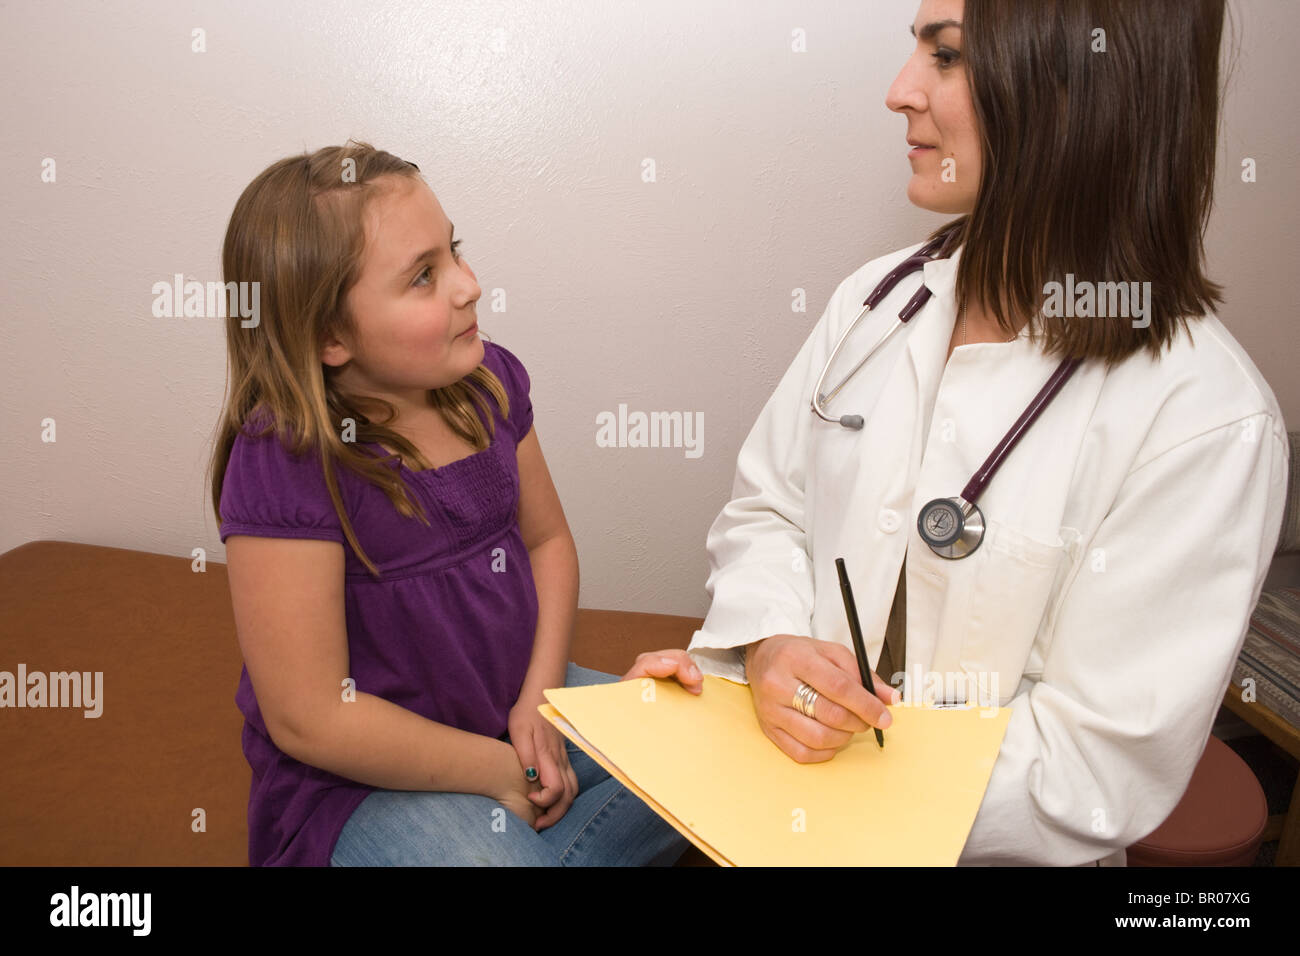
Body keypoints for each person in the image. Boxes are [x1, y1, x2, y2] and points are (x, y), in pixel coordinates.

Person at [643, 0, 1289, 866]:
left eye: (945, 57)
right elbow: (768, 511)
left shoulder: (1204, 416)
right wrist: (768, 647)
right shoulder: (877, 302)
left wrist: (843, 761)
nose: (898, 91)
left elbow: (1096, 769)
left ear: (1074, 88)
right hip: (768, 813)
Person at [208, 141, 689, 866]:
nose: (468, 285)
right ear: (330, 335)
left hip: (511, 716)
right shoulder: (287, 455)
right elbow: (309, 719)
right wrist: (503, 773)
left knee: (700, 737)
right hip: (361, 785)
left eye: (454, 252)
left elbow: (549, 544)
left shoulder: (488, 381)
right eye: (423, 277)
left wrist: (540, 705)